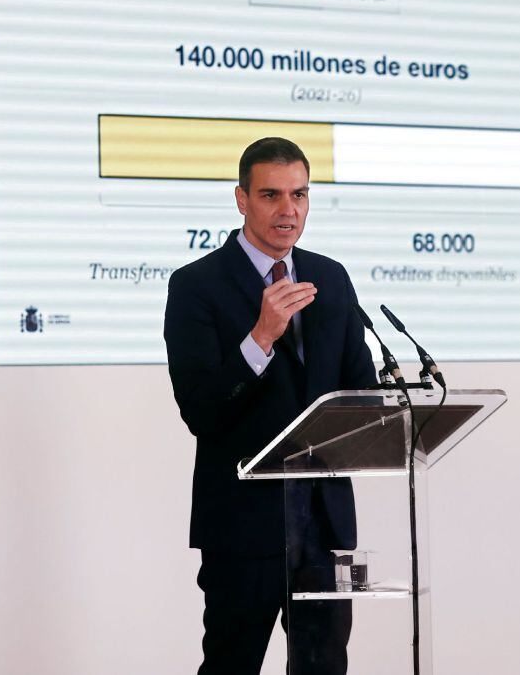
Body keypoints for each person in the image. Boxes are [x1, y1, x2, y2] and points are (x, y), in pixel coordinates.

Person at [164, 137, 376, 674]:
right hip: (243, 524)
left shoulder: (330, 277)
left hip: (324, 525)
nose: (289, 211)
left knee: (325, 666)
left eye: (300, 195)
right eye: (271, 195)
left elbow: (360, 391)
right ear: (241, 199)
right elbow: (200, 411)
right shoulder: (196, 286)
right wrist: (260, 338)